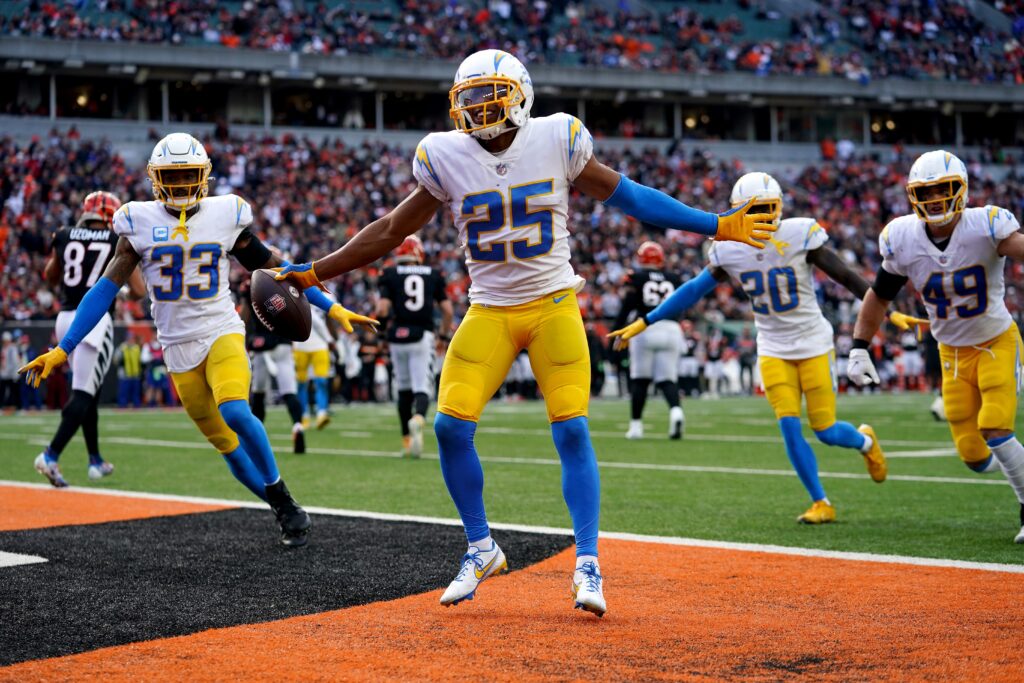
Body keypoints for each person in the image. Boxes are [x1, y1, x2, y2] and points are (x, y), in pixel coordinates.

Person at [275, 49, 775, 615]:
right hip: (489, 309)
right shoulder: (444, 154)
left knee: (571, 432)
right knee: (447, 428)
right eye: (468, 97)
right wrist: (315, 271)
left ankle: (587, 564)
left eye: (489, 94)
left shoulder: (556, 137)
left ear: (520, 96)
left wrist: (715, 223)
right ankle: (480, 547)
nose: (478, 107)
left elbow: (630, 197)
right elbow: (391, 230)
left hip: (554, 305)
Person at [20, 133, 375, 547]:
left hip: (221, 329)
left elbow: (281, 269)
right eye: (174, 176)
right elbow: (103, 290)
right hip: (176, 348)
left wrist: (329, 306)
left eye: (189, 174)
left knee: (237, 412)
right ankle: (282, 507)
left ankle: (278, 490)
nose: (183, 184)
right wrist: (64, 348)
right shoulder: (137, 221)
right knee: (226, 444)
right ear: (156, 179)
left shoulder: (226, 214)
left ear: (204, 175)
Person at [610, 172, 888, 524]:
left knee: (826, 431)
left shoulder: (799, 233)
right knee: (789, 426)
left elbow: (846, 276)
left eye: (768, 209)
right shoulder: (728, 247)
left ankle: (864, 442)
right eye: (753, 210)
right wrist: (647, 320)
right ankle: (821, 501)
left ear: (780, 208)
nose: (762, 218)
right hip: (772, 346)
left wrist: (883, 308)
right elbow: (694, 289)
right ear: (738, 211)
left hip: (814, 342)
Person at [846, 150, 1024, 543]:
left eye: (944, 190)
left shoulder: (986, 225)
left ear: (961, 189)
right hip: (952, 353)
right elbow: (879, 295)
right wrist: (859, 345)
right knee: (975, 457)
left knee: (994, 426)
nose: (936, 200)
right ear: (913, 196)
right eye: (927, 192)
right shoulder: (902, 237)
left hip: (995, 341)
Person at [34, 191, 146, 486]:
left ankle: (95, 460)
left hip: (65, 318)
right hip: (94, 320)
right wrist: (122, 293)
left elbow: (51, 276)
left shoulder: (64, 234)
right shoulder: (114, 239)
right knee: (83, 393)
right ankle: (50, 454)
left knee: (89, 393)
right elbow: (139, 290)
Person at [375, 235, 453, 458]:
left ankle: (407, 442)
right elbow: (447, 310)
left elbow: (382, 309)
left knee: (403, 389)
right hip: (422, 335)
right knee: (422, 387)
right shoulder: (433, 274)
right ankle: (418, 418)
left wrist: (381, 335)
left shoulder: (389, 273)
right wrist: (443, 336)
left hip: (397, 337)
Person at [611, 241, 684, 440]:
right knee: (667, 379)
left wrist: (617, 330)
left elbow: (628, 306)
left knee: (640, 379)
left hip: (645, 326)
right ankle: (676, 411)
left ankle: (636, 426)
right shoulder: (674, 277)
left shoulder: (636, 277)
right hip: (671, 328)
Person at [238, 272, 306, 454]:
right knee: (289, 391)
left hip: (262, 343)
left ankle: (255, 438)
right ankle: (298, 426)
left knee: (259, 393)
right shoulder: (286, 281)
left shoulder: (250, 285)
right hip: (282, 342)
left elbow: (244, 316)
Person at [293, 294, 337, 429]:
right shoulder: (296, 291)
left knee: (322, 381)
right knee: (301, 384)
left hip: (320, 344)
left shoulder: (328, 295)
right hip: (300, 344)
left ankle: (321, 413)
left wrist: (332, 338)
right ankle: (304, 415)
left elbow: (329, 319)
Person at [115, 332, 143, 408]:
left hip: (135, 374)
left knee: (136, 393)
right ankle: (122, 406)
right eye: (129, 338)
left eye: (132, 338)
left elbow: (140, 360)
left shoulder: (136, 347)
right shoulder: (122, 348)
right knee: (124, 392)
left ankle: (136, 406)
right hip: (125, 374)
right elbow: (115, 360)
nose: (131, 340)